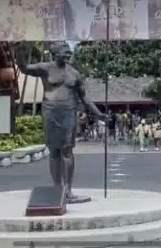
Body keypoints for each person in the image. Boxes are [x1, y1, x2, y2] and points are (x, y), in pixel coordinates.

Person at [16, 42, 105, 203]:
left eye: (68, 51)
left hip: (69, 112)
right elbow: (24, 68)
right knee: (54, 152)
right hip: (50, 111)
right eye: (64, 51)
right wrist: (19, 50)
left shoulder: (75, 74)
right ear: (55, 53)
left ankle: (68, 190)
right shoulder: (45, 68)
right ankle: (57, 188)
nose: (68, 53)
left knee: (67, 151)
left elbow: (84, 97)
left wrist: (98, 113)